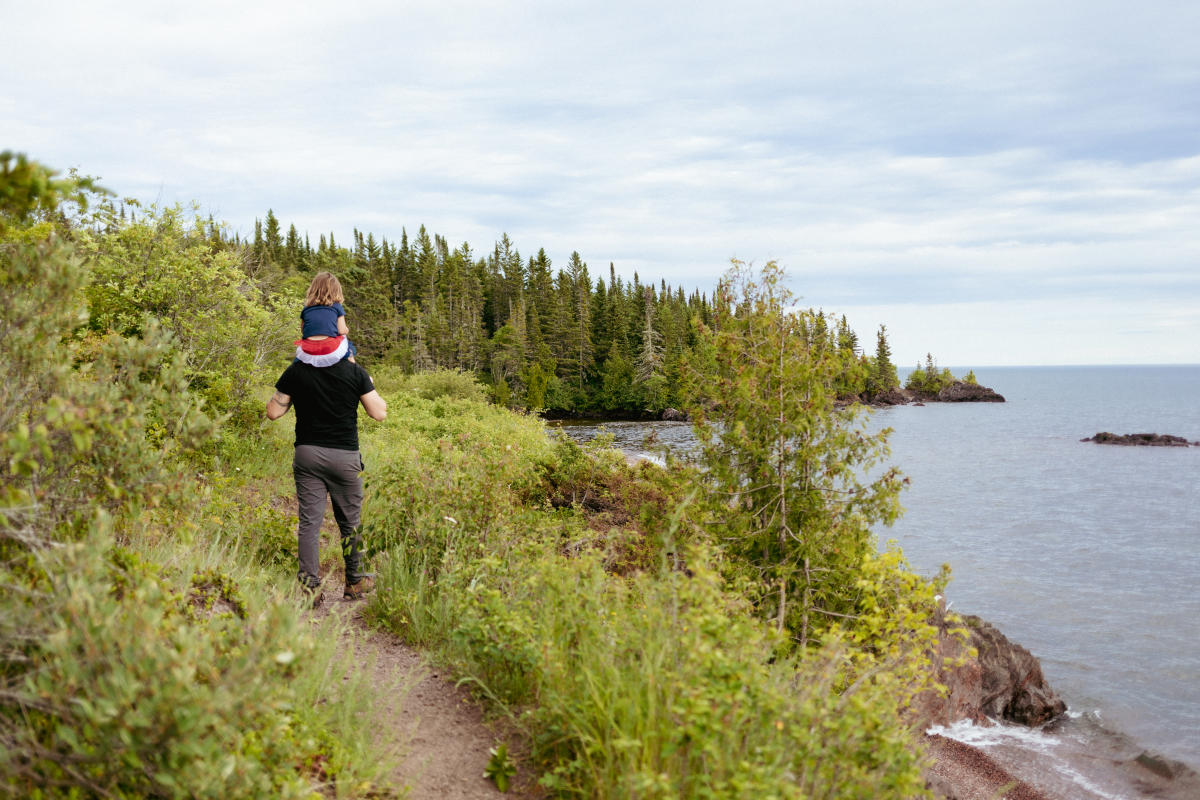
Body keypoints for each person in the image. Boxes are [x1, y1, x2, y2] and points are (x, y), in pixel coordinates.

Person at [266, 348, 386, 607]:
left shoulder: (297, 370)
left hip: (308, 454)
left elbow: (273, 412)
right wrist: (368, 384)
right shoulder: (355, 372)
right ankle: (355, 580)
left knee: (310, 523)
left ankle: (310, 587)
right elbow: (379, 413)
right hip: (344, 456)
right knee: (351, 522)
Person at [295, 272, 356, 366]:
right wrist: (346, 330)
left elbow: (303, 331)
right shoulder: (337, 306)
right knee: (346, 340)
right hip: (330, 349)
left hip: (307, 351)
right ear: (336, 290)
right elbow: (342, 330)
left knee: (297, 360)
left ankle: (295, 366)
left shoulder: (306, 308)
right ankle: (355, 369)